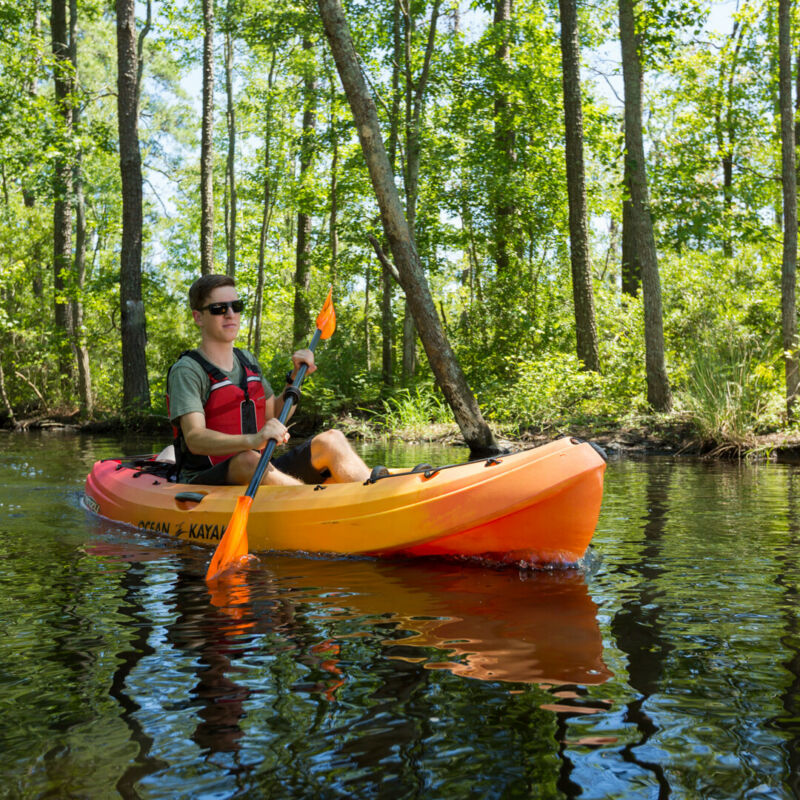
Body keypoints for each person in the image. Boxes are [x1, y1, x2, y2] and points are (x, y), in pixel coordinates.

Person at [167, 274, 371, 486]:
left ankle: (373, 496)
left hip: (258, 465)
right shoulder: (188, 370)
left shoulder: (247, 361)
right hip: (206, 478)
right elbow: (194, 438)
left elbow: (274, 415)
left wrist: (294, 379)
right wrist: (253, 440)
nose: (230, 314)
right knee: (249, 459)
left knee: (333, 439)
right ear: (198, 317)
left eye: (236, 306)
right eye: (219, 308)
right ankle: (314, 504)